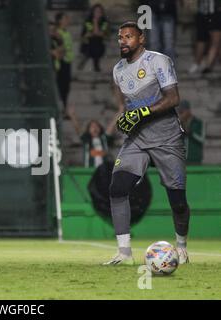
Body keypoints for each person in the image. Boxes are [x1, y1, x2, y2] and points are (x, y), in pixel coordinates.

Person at [104, 22, 190, 266]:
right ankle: (124, 253)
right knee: (117, 188)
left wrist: (141, 113)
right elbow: (127, 106)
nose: (123, 41)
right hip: (137, 139)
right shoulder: (118, 70)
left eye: (129, 37)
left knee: (178, 200)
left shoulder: (158, 61)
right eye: (120, 37)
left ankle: (181, 246)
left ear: (141, 39)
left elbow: (173, 98)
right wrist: (125, 119)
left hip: (167, 137)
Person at [188, 0, 221, 74]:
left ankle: (207, 65)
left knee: (215, 41)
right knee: (201, 40)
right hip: (203, 12)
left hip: (215, 12)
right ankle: (199, 63)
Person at [78, 4, 110, 72]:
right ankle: (93, 64)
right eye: (96, 11)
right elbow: (88, 33)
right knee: (93, 43)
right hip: (88, 43)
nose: (97, 13)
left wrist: (95, 22)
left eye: (99, 12)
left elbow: (99, 33)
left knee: (96, 43)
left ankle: (90, 61)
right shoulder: (88, 21)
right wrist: (95, 24)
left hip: (99, 43)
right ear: (92, 12)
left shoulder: (104, 21)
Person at [177, 100, 205, 164]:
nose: (181, 114)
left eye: (182, 112)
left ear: (188, 111)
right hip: (181, 159)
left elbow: (202, 139)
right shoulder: (179, 123)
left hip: (195, 158)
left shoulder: (198, 123)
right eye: (180, 112)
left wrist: (191, 133)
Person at [55, 12, 74, 106]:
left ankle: (65, 105)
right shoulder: (58, 32)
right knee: (62, 86)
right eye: (65, 18)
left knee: (66, 86)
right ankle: (63, 105)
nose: (67, 20)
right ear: (59, 21)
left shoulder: (66, 31)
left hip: (68, 61)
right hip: (61, 61)